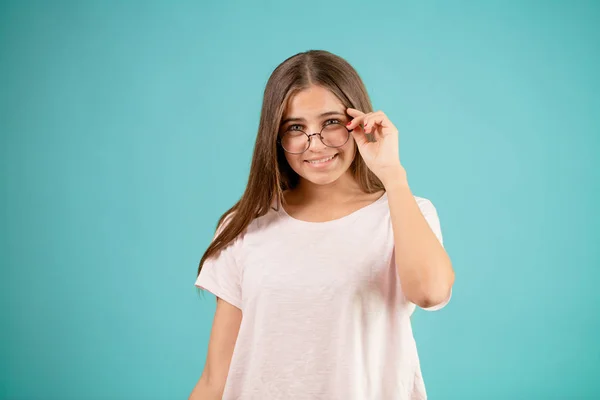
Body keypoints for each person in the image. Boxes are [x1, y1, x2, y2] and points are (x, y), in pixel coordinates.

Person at [189, 49, 455, 400]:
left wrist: (392, 175)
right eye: (296, 128)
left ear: (357, 121)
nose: (315, 144)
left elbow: (430, 292)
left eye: (330, 122)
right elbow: (214, 379)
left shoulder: (404, 212)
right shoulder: (244, 225)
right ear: (275, 137)